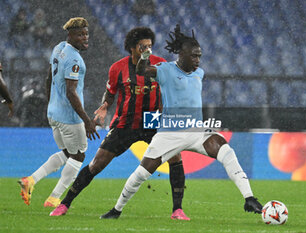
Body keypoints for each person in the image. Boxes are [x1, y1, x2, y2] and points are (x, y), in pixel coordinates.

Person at [99, 25, 263, 219]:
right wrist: (144, 57)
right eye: (194, 56)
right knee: (142, 173)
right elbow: (142, 71)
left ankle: (249, 198)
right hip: (170, 133)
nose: (197, 60)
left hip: (196, 131)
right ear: (181, 55)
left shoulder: (198, 73)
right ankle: (116, 210)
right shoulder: (164, 70)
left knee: (226, 150)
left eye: (199, 56)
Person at [50, 27, 189, 220]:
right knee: (97, 164)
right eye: (143, 46)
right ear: (132, 48)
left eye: (150, 46)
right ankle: (64, 204)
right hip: (126, 122)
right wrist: (105, 106)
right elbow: (111, 93)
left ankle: (177, 210)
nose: (147, 50)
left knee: (175, 156)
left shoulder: (160, 64)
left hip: (153, 121)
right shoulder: (118, 68)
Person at [18, 17, 100, 207]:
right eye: (80, 34)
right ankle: (54, 198)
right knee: (79, 156)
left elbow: (49, 78)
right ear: (70, 35)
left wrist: (51, 103)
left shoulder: (58, 48)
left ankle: (29, 181)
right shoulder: (74, 59)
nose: (85, 38)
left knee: (67, 153)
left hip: (54, 114)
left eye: (86, 33)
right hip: (69, 117)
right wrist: (87, 120)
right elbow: (71, 92)